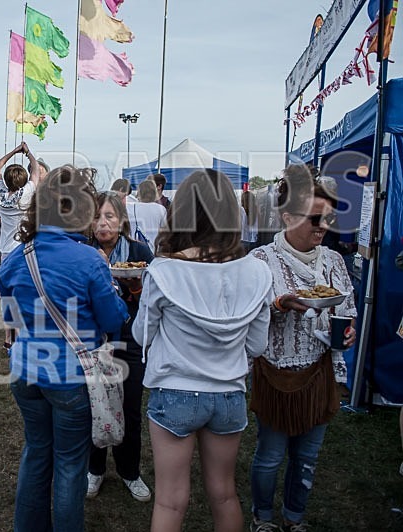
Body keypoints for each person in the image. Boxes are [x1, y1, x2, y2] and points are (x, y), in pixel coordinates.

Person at [134, 169, 272, 532]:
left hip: (176, 390)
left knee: (169, 500)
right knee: (224, 494)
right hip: (228, 393)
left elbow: (140, 336)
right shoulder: (257, 272)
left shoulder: (164, 270)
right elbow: (257, 345)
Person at [0, 165, 129, 532]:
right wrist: (119, 297)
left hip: (26, 370)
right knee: (70, 464)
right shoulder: (89, 260)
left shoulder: (14, 257)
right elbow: (111, 321)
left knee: (37, 452)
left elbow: (10, 317)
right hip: (71, 375)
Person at [248, 165, 357, 532]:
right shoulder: (261, 261)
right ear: (288, 216)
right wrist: (278, 305)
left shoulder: (334, 261)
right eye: (314, 218)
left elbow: (346, 307)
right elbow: (243, 316)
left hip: (319, 371)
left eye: (327, 218)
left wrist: (349, 328)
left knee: (307, 458)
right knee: (270, 456)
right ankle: (262, 518)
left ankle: (294, 519)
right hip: (275, 372)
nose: (323, 226)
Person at [86, 191, 154, 502]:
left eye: (109, 216)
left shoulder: (139, 251)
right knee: (95, 405)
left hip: (130, 339)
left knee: (130, 407)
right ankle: (94, 469)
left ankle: (129, 471)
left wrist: (135, 286)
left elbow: (153, 302)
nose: (102, 223)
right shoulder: (83, 251)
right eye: (97, 216)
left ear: (122, 220)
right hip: (94, 341)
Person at [0, 141, 40, 263]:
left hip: (5, 248)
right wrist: (27, 152)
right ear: (24, 180)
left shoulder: (1, 194)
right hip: (24, 246)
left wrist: (14, 151)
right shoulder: (26, 192)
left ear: (6, 180)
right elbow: (36, 170)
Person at [127, 179, 167, 253]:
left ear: (140, 192)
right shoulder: (161, 209)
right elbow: (165, 232)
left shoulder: (130, 207)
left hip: (134, 249)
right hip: (153, 250)